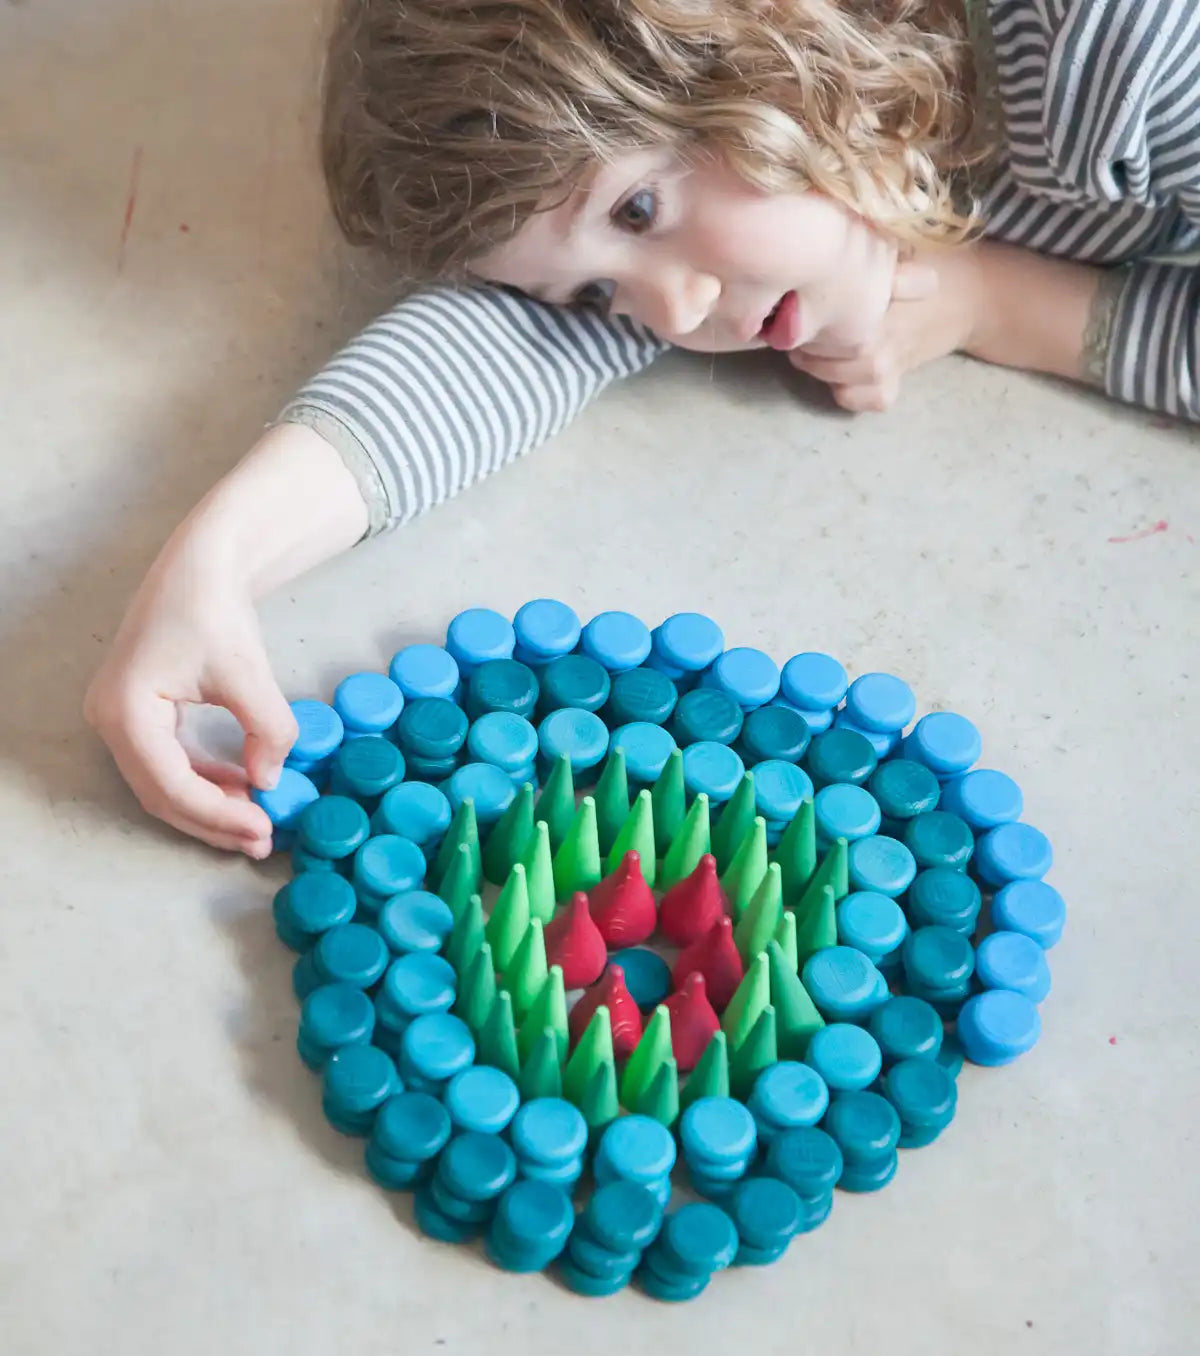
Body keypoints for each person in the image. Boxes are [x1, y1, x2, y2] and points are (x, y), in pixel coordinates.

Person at [85, 0, 1200, 857]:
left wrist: (1003, 303)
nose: (671, 312)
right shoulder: (755, 154)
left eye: (637, 211)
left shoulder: (1129, 58)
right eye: (597, 295)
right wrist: (215, 562)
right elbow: (497, 343)